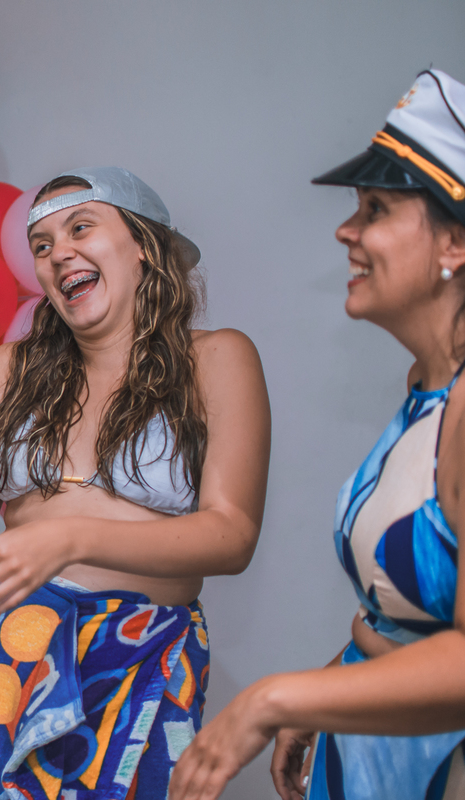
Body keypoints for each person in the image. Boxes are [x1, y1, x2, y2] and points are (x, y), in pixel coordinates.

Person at [0, 166, 271, 800]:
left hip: (139, 662)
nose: (59, 253)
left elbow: (231, 536)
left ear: (143, 244)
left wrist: (69, 540)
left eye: (80, 228)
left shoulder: (218, 358)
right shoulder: (11, 368)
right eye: (42, 245)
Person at [170, 69, 465, 800]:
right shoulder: (427, 391)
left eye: (377, 209)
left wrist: (276, 699)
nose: (346, 230)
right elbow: (417, 613)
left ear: (454, 241)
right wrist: (341, 679)